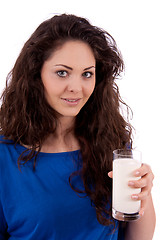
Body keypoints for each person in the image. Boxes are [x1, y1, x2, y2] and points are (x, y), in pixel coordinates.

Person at [0, 14, 155, 240]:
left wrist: (144, 194)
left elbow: (136, 236)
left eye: (87, 74)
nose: (76, 87)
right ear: (36, 74)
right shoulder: (5, 158)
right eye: (62, 72)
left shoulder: (110, 143)